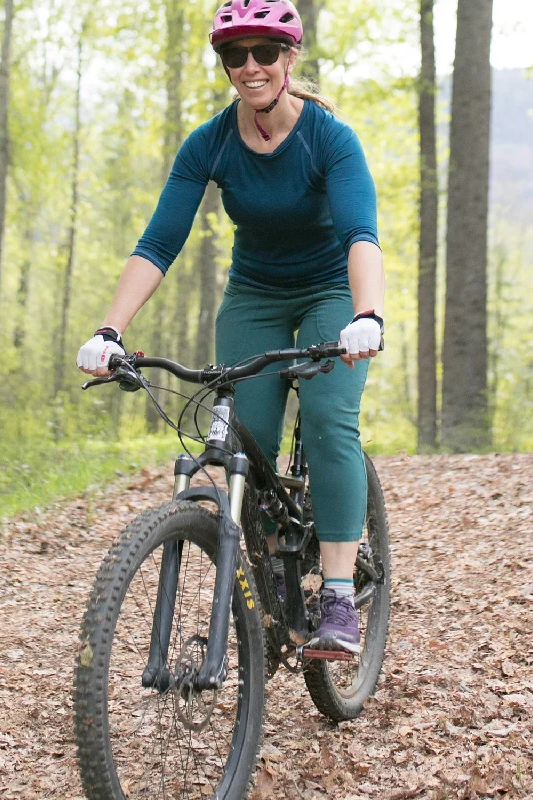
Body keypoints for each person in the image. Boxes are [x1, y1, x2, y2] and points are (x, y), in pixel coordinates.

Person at [77, 0, 384, 654]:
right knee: (247, 444)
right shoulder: (210, 142)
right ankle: (269, 586)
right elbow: (159, 243)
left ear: (289, 57)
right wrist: (110, 329)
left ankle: (334, 597)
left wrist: (366, 314)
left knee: (330, 418)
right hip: (254, 294)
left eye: (265, 52)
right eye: (234, 54)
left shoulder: (330, 138)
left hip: (331, 287)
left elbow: (361, 233)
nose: (250, 66)